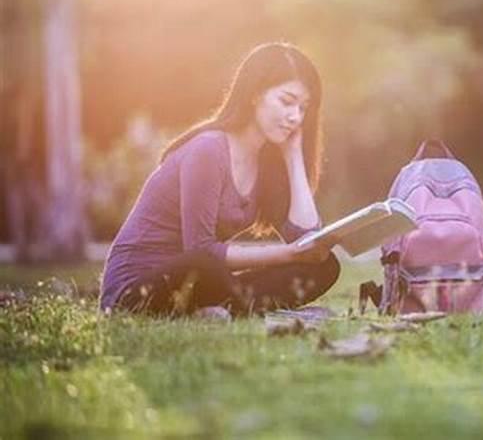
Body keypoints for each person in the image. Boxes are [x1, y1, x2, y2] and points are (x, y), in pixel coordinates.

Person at [99, 42, 339, 318]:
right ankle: (229, 308)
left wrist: (294, 156)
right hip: (137, 291)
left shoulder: (268, 162)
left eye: (303, 107)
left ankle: (217, 310)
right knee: (205, 265)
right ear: (255, 94)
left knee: (325, 266)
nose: (295, 117)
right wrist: (288, 255)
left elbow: (306, 240)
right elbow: (200, 249)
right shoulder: (208, 149)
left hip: (203, 282)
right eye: (286, 102)